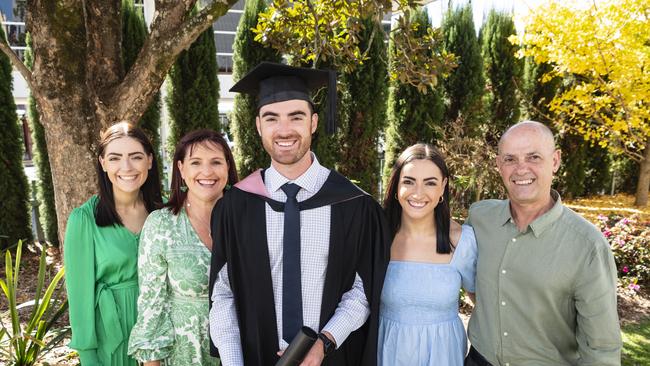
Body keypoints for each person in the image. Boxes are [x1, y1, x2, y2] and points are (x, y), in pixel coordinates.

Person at [208, 62, 390, 366]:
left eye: (296, 117)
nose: (284, 130)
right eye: (272, 118)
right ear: (258, 126)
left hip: (328, 357)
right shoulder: (236, 207)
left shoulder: (354, 206)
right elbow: (223, 295)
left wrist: (324, 342)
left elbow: (363, 290)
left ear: (313, 123)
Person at [465, 121, 622, 366]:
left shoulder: (588, 245)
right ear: (498, 165)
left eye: (533, 157)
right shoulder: (479, 218)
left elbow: (601, 348)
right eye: (510, 159)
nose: (521, 169)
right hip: (478, 360)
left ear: (555, 161)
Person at [128, 129, 238, 365]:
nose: (207, 172)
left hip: (242, 350)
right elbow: (151, 305)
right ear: (181, 169)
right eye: (196, 162)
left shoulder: (249, 219)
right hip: (185, 355)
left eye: (216, 162)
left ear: (228, 167)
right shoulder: (162, 224)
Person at [64, 122, 163, 366]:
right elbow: (80, 299)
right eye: (115, 158)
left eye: (136, 157)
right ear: (103, 162)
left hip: (163, 334)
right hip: (114, 339)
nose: (126, 167)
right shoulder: (84, 220)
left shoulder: (166, 213)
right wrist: (89, 357)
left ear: (149, 161)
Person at [378, 143, 477, 366]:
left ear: (443, 187)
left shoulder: (461, 240)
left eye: (430, 183)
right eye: (409, 181)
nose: (418, 193)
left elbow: (482, 303)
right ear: (396, 186)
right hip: (388, 354)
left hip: (444, 356)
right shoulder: (378, 238)